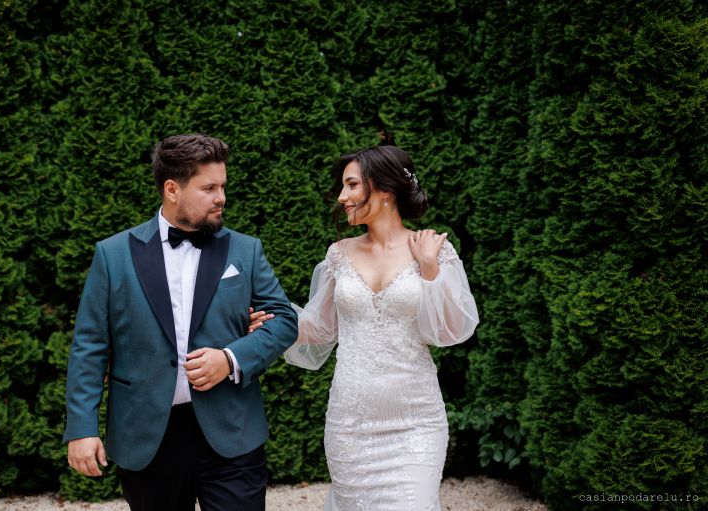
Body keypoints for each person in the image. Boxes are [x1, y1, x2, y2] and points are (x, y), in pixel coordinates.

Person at [63, 133, 298, 511]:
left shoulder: (245, 249)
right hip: (147, 437)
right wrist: (82, 428)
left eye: (222, 186)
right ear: (172, 189)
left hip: (232, 431)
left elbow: (284, 319)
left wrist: (231, 359)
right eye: (209, 188)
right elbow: (90, 345)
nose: (221, 197)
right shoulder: (112, 254)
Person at [282, 145, 479, 510]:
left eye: (352, 185)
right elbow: (320, 329)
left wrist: (430, 269)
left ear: (385, 189)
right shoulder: (339, 254)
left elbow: (451, 331)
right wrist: (272, 320)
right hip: (349, 423)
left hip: (416, 421)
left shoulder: (433, 250)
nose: (342, 197)